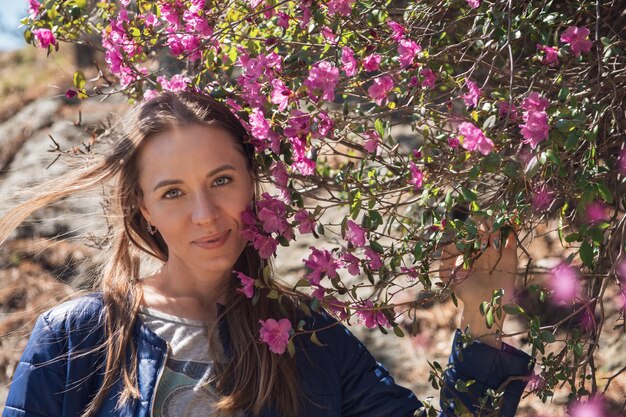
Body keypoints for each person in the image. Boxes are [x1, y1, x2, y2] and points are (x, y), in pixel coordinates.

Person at [0, 91, 532, 417]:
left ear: (253, 182)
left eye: (222, 180)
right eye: (173, 192)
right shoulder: (75, 338)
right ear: (143, 208)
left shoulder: (313, 340)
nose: (205, 214)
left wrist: (483, 322)